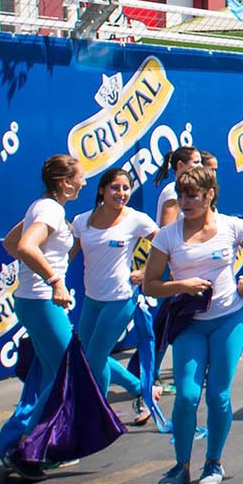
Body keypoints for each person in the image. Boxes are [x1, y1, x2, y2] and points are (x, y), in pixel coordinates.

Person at [143, 168, 243, 484]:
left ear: (209, 195)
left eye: (193, 195)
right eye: (181, 195)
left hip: (228, 321)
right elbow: (151, 285)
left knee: (219, 396)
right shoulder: (167, 236)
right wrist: (181, 284)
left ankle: (213, 462)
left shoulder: (231, 227)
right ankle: (180, 466)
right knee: (187, 396)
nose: (185, 202)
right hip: (189, 325)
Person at [0, 155, 85, 478]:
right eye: (80, 178)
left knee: (50, 377)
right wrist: (54, 280)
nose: (84, 183)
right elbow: (25, 245)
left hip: (31, 300)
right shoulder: (51, 210)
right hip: (43, 301)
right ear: (65, 183)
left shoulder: (41, 207)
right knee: (66, 373)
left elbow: (12, 243)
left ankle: (26, 444)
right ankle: (26, 448)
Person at [70, 167, 162, 423]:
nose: (121, 193)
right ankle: (143, 391)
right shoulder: (82, 221)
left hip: (120, 299)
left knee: (96, 358)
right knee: (90, 358)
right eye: (115, 188)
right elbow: (68, 256)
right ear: (102, 189)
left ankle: (95, 416)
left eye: (125, 188)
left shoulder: (136, 219)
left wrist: (146, 272)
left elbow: (166, 245)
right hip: (91, 300)